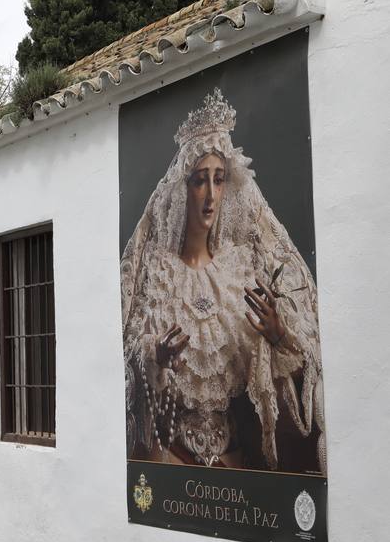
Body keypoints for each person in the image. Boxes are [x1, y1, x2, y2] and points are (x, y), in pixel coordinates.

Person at [120, 88, 325, 473]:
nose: (211, 195)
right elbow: (128, 361)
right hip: (171, 459)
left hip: (235, 463)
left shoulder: (239, 273)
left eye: (219, 179)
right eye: (200, 180)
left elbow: (278, 379)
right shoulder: (159, 274)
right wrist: (154, 357)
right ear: (183, 189)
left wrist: (280, 338)